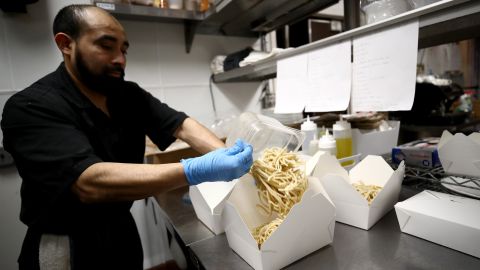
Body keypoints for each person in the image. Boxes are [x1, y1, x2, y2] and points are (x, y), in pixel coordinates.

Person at [0, 4, 253, 270]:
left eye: (123, 49)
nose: (120, 59)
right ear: (66, 44)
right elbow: (88, 182)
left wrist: (230, 157)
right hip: (67, 247)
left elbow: (181, 125)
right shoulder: (30, 107)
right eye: (106, 46)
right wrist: (195, 170)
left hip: (122, 233)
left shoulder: (127, 95)